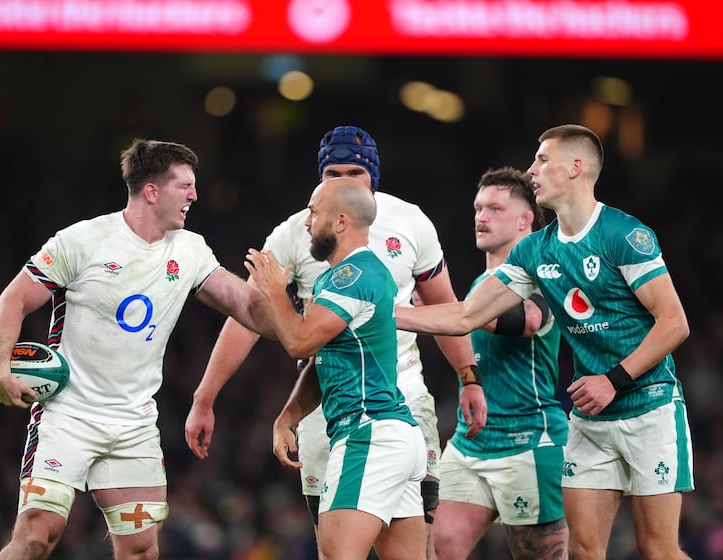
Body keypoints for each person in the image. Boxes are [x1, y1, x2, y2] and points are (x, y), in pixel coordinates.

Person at [185, 125, 486, 558]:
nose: (341, 182)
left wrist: (468, 375)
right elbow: (271, 330)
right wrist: (216, 398)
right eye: (331, 174)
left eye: (353, 172)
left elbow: (301, 342)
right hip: (359, 417)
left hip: (372, 423)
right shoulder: (306, 241)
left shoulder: (357, 269)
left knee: (338, 551)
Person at [396, 124, 693, 560]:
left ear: (576, 168)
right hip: (591, 419)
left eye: (542, 160)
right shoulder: (534, 250)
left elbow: (674, 323)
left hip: (650, 406)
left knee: (657, 550)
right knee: (584, 552)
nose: (532, 169)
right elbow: (465, 315)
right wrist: (379, 311)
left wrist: (613, 379)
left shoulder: (624, 234)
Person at [0, 139, 274, 560]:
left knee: (140, 550)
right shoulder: (83, 241)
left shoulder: (190, 250)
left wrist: (295, 320)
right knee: (35, 537)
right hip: (68, 417)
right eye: (186, 186)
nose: (194, 196)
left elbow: (245, 305)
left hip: (133, 426)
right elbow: (13, 300)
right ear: (152, 191)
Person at [249, 176, 427, 559]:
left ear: (341, 222)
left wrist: (276, 291)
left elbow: (299, 341)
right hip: (394, 434)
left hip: (368, 434)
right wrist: (288, 417)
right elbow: (321, 359)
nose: (307, 222)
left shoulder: (353, 275)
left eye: (314, 212)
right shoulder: (343, 276)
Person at [433, 166, 568, 560]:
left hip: (527, 439)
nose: (481, 217)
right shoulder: (478, 288)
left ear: (526, 220)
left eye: (494, 208)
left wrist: (446, 312)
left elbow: (528, 320)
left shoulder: (544, 272)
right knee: (440, 548)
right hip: (471, 441)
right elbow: (455, 326)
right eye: (478, 208)